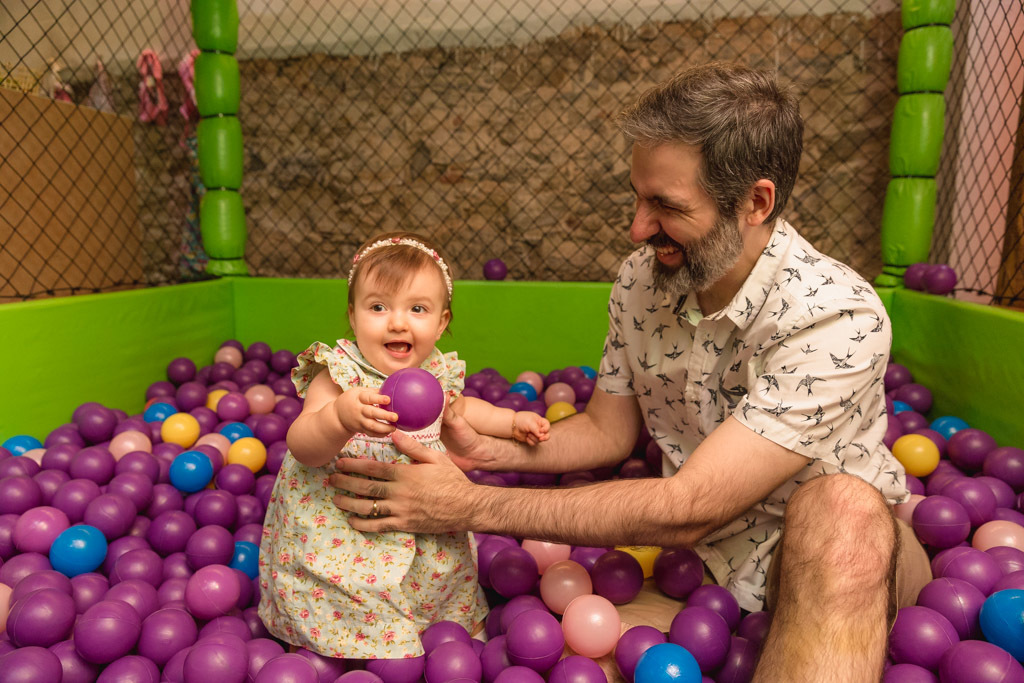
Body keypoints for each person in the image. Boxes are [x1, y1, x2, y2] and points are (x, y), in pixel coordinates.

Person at [327, 63, 932, 680]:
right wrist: (490, 450)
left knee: (843, 511)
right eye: (639, 197)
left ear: (755, 202)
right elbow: (608, 432)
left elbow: (690, 503)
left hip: (822, 560)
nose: (638, 228)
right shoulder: (644, 280)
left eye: (665, 206)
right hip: (688, 566)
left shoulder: (835, 316)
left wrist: (468, 505)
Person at [257, 231, 551, 659]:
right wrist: (339, 416)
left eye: (417, 309)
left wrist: (512, 422)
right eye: (378, 307)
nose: (397, 322)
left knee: (436, 579)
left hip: (422, 517)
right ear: (353, 318)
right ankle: (330, 642)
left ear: (441, 322)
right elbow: (304, 446)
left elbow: (466, 411)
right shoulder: (337, 374)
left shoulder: (437, 373)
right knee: (342, 589)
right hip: (344, 526)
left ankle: (437, 637)